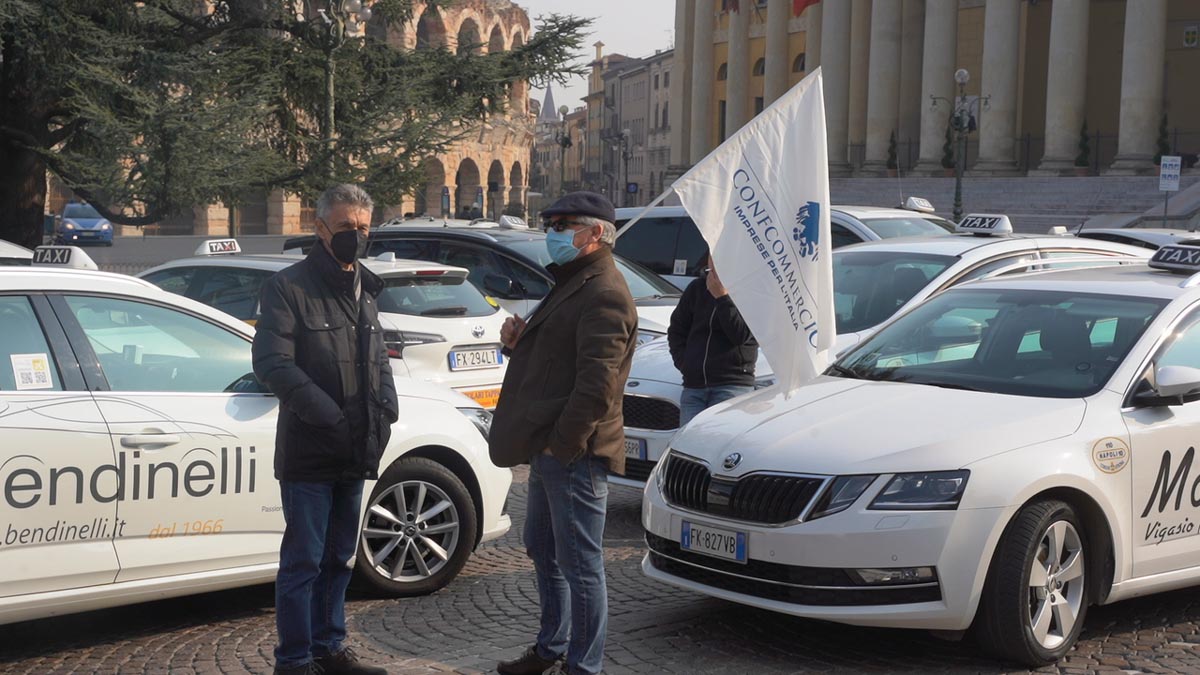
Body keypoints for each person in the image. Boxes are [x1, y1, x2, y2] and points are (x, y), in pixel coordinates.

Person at [489, 192, 638, 675]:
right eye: (549, 223)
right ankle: (551, 647)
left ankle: (583, 665)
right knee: (543, 548)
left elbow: (597, 386)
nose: (551, 232)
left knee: (580, 565)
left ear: (594, 233)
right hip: (549, 445)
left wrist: (563, 444)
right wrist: (518, 343)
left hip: (575, 452)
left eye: (562, 224)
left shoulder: (605, 291)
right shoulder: (574, 279)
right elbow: (559, 359)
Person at [253, 184, 397, 675]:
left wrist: (387, 410)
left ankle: (329, 648)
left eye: (363, 227)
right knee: (304, 563)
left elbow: (379, 360)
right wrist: (330, 417)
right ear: (319, 229)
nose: (356, 236)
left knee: (340, 558)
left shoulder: (366, 288)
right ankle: (294, 660)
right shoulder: (288, 287)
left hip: (357, 449)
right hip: (311, 451)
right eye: (345, 227)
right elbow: (272, 363)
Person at [668, 253, 759, 426]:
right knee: (688, 441)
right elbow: (676, 330)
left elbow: (741, 335)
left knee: (719, 441)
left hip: (731, 386)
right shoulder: (697, 288)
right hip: (694, 387)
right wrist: (685, 364)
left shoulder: (751, 290)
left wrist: (722, 298)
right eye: (712, 255)